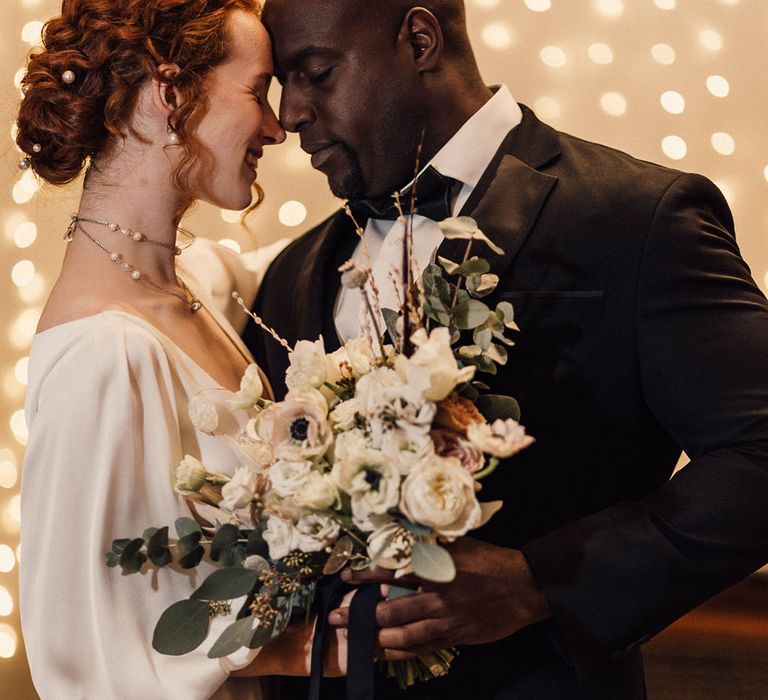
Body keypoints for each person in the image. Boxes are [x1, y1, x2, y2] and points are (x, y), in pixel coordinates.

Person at [246, 0, 768, 697]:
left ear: (421, 39)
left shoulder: (633, 217)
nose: (291, 114)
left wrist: (540, 581)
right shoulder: (293, 272)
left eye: (315, 73)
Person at [17, 1, 347, 698]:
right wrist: (321, 646)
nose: (277, 125)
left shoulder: (201, 282)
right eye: (257, 91)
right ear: (169, 94)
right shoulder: (104, 359)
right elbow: (95, 655)